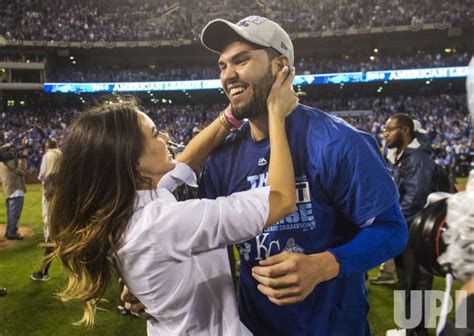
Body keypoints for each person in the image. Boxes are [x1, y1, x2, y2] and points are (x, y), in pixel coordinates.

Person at [193, 15, 408, 335]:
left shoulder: (340, 141)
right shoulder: (222, 158)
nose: (228, 76)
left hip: (334, 327)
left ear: (281, 66)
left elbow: (392, 229)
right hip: (253, 328)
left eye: (241, 60)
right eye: (222, 66)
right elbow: (208, 242)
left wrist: (325, 265)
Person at [49, 67, 298, 335]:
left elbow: (187, 161)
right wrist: (275, 114)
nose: (166, 137)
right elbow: (281, 199)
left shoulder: (130, 205)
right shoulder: (163, 223)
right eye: (155, 133)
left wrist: (232, 114)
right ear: (133, 162)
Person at [382, 113, 437, 336]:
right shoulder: (402, 157)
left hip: (416, 234)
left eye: (389, 129)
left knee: (417, 288)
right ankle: (409, 329)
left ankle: (416, 332)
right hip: (407, 232)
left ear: (404, 130)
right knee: (406, 285)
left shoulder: (417, 159)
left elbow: (414, 199)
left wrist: (393, 225)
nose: (384, 134)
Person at [31, 138, 62, 281]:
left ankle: (43, 272)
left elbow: (42, 175)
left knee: (50, 229)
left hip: (50, 190)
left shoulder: (47, 155)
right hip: (62, 191)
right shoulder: (61, 154)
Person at [0, 144, 26, 240]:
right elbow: (23, 171)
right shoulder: (11, 163)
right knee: (14, 214)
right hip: (16, 190)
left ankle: (9, 231)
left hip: (8, 191)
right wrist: (24, 158)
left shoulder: (1, 164)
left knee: (11, 213)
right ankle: (12, 233)